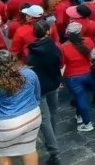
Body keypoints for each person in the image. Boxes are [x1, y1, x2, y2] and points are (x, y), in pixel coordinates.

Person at [0, 50, 42, 165]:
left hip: (7, 125)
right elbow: (37, 95)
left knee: (4, 155)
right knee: (29, 149)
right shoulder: (29, 73)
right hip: (33, 116)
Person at [26, 21, 62, 165]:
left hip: (39, 87)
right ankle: (52, 138)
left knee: (44, 118)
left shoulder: (32, 51)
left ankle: (53, 147)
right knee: (53, 112)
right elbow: (58, 64)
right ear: (48, 31)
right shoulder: (54, 47)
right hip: (53, 83)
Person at [61, 21, 95, 132]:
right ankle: (79, 116)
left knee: (80, 98)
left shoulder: (64, 47)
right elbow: (93, 56)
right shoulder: (88, 41)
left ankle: (87, 123)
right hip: (88, 74)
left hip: (72, 78)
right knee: (81, 97)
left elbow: (62, 64)